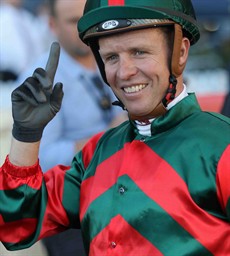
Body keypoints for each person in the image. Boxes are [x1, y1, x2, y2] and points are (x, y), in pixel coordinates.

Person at [0, 1, 230, 255]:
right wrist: (26, 134)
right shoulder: (95, 154)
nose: (125, 72)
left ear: (180, 53)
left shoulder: (222, 145)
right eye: (111, 57)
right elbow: (17, 225)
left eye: (139, 52)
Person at [16, 0, 126, 255]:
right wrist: (107, 137)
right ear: (52, 25)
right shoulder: (42, 79)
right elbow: (42, 159)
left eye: (88, 17)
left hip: (121, 193)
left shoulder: (113, 57)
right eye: (72, 21)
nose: (83, 27)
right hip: (72, 209)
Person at [0, 0, 49, 82]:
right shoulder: (3, 16)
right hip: (7, 80)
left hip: (33, 78)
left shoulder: (27, 18)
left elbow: (42, 46)